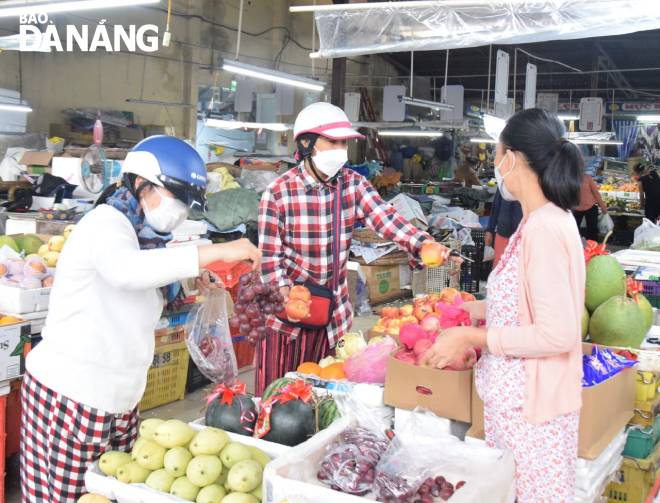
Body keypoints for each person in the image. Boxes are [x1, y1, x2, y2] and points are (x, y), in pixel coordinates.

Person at [20, 136, 261, 502]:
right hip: (72, 396)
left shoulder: (143, 236)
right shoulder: (105, 223)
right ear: (141, 183)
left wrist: (186, 274)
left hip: (118, 397)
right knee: (70, 497)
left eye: (186, 204)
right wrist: (217, 251)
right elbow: (125, 270)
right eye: (175, 198)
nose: (179, 211)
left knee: (112, 491)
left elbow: (141, 275)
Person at [421, 109, 585, 502]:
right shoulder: (538, 221)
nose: (495, 164)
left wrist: (469, 334)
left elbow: (557, 333)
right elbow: (526, 302)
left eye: (496, 153)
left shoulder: (544, 228)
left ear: (511, 158)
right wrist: (471, 308)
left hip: (532, 414)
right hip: (521, 408)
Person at [256, 102, 455, 395]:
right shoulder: (278, 193)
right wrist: (285, 297)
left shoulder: (353, 185)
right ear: (307, 143)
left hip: (332, 317)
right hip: (287, 322)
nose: (341, 149)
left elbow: (386, 219)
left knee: (324, 397)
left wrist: (423, 243)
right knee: (279, 396)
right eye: (333, 141)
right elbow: (270, 260)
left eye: (344, 143)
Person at [485, 190, 523, 267]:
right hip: (502, 233)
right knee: (498, 268)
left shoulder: (532, 182)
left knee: (516, 270)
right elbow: (496, 205)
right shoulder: (504, 180)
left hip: (522, 237)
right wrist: (489, 230)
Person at [573, 173, 608, 241]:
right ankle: (574, 245)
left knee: (592, 229)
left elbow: (596, 193)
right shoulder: (569, 178)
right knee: (574, 228)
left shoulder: (587, 178)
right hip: (576, 207)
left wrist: (602, 206)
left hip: (591, 206)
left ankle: (593, 247)